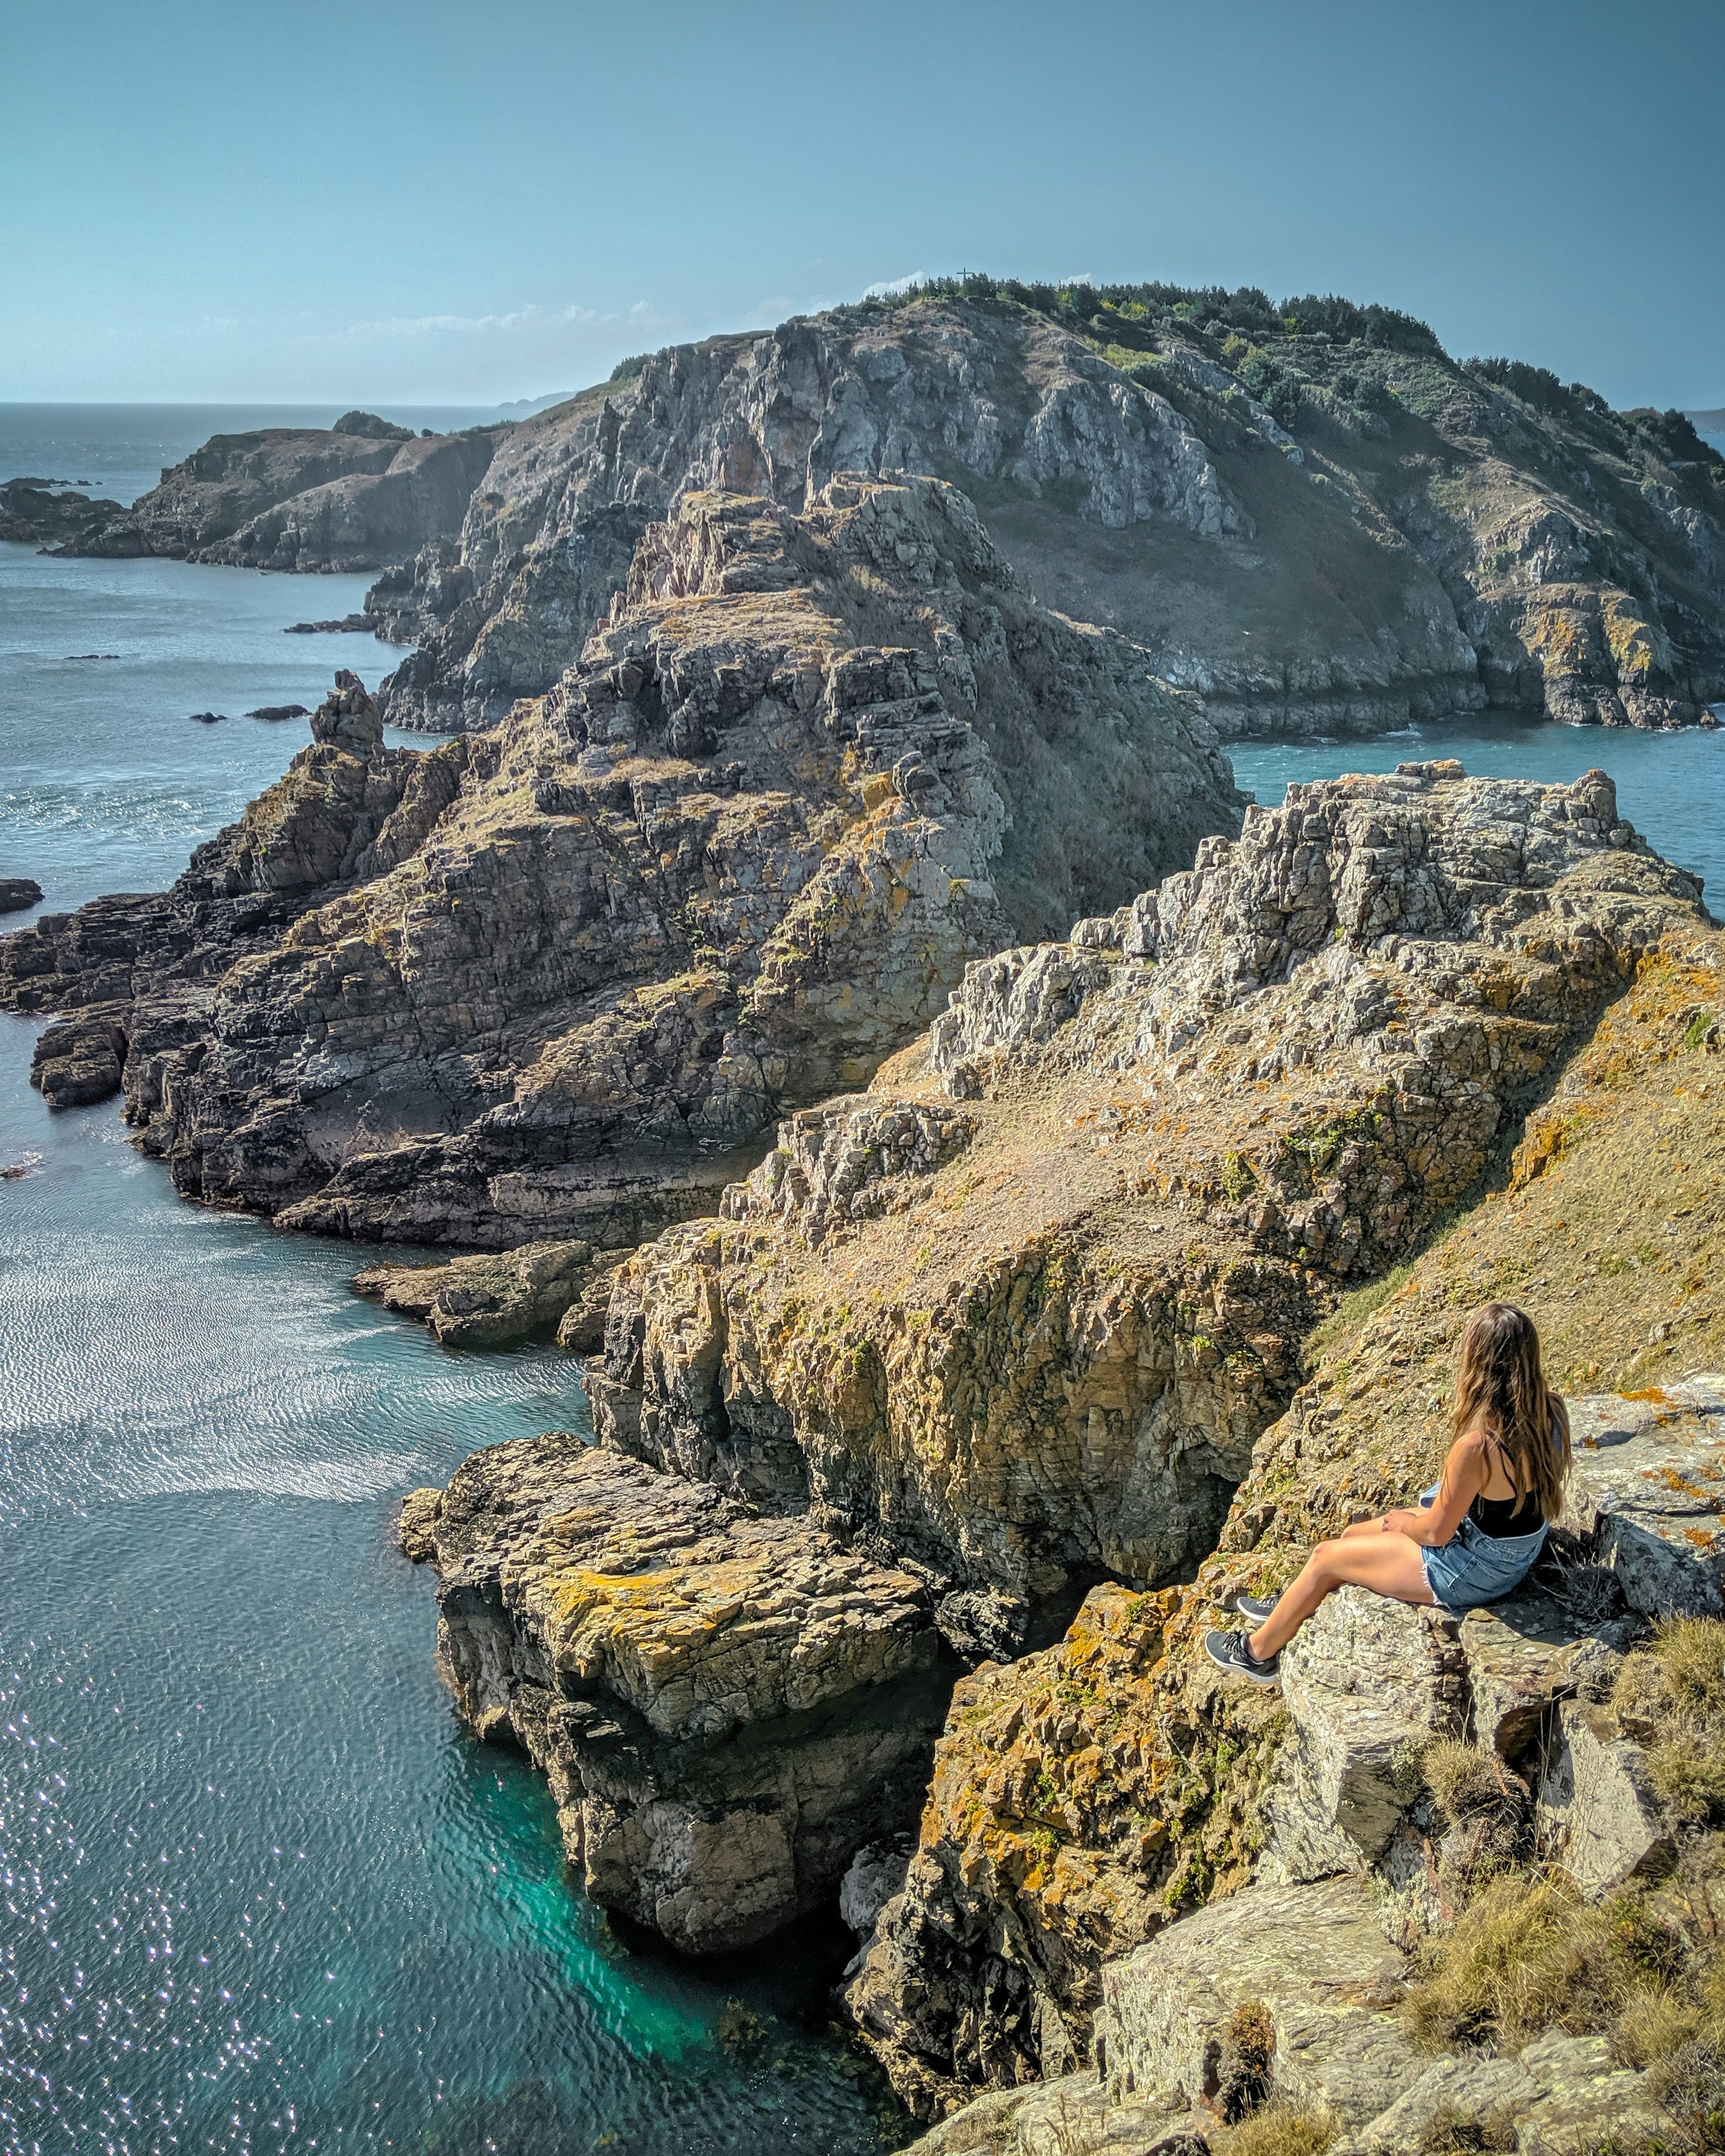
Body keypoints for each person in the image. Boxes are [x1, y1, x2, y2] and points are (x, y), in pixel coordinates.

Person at [1205, 1301, 1572, 1685]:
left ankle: (1256, 1654)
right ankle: (1292, 1604)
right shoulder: (1551, 1411)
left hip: (1472, 1570)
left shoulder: (1479, 1446)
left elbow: (1435, 1534)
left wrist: (1407, 1523)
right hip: (1512, 1550)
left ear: (1478, 1363)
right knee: (1351, 1537)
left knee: (1325, 1558)